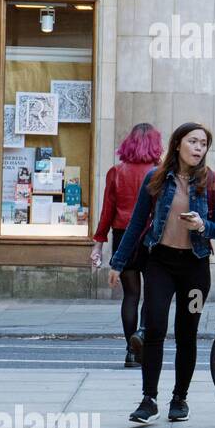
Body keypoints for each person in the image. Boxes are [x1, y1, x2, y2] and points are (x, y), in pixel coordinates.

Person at [110, 123, 215, 425]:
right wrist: (118, 262)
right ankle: (149, 399)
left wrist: (202, 226)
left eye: (203, 143)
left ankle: (180, 398)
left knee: (187, 334)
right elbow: (136, 224)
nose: (199, 147)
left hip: (196, 268)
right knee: (155, 329)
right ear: (178, 144)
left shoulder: (213, 182)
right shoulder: (156, 178)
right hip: (159, 264)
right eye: (193, 141)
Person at [91, 122, 163, 368]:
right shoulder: (159, 172)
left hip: (123, 236)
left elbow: (107, 212)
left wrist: (98, 243)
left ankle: (130, 352)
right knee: (152, 294)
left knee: (131, 295)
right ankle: (141, 335)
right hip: (152, 237)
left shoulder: (116, 172)